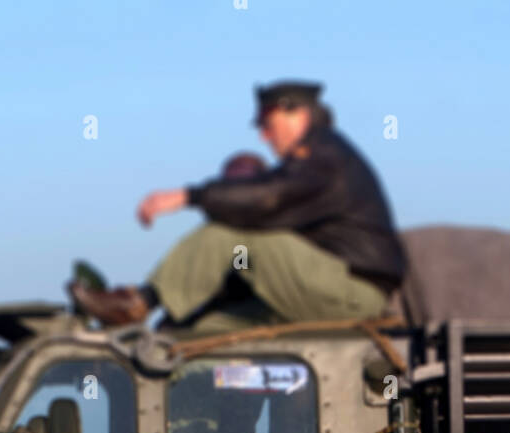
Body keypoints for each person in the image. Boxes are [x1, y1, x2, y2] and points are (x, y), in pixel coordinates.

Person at [69, 81, 406, 328]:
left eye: (267, 124)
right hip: (320, 294)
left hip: (351, 291)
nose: (264, 136)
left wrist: (190, 196)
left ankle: (137, 304)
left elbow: (266, 199)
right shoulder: (318, 159)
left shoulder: (324, 154)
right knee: (198, 334)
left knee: (233, 235)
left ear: (297, 114)